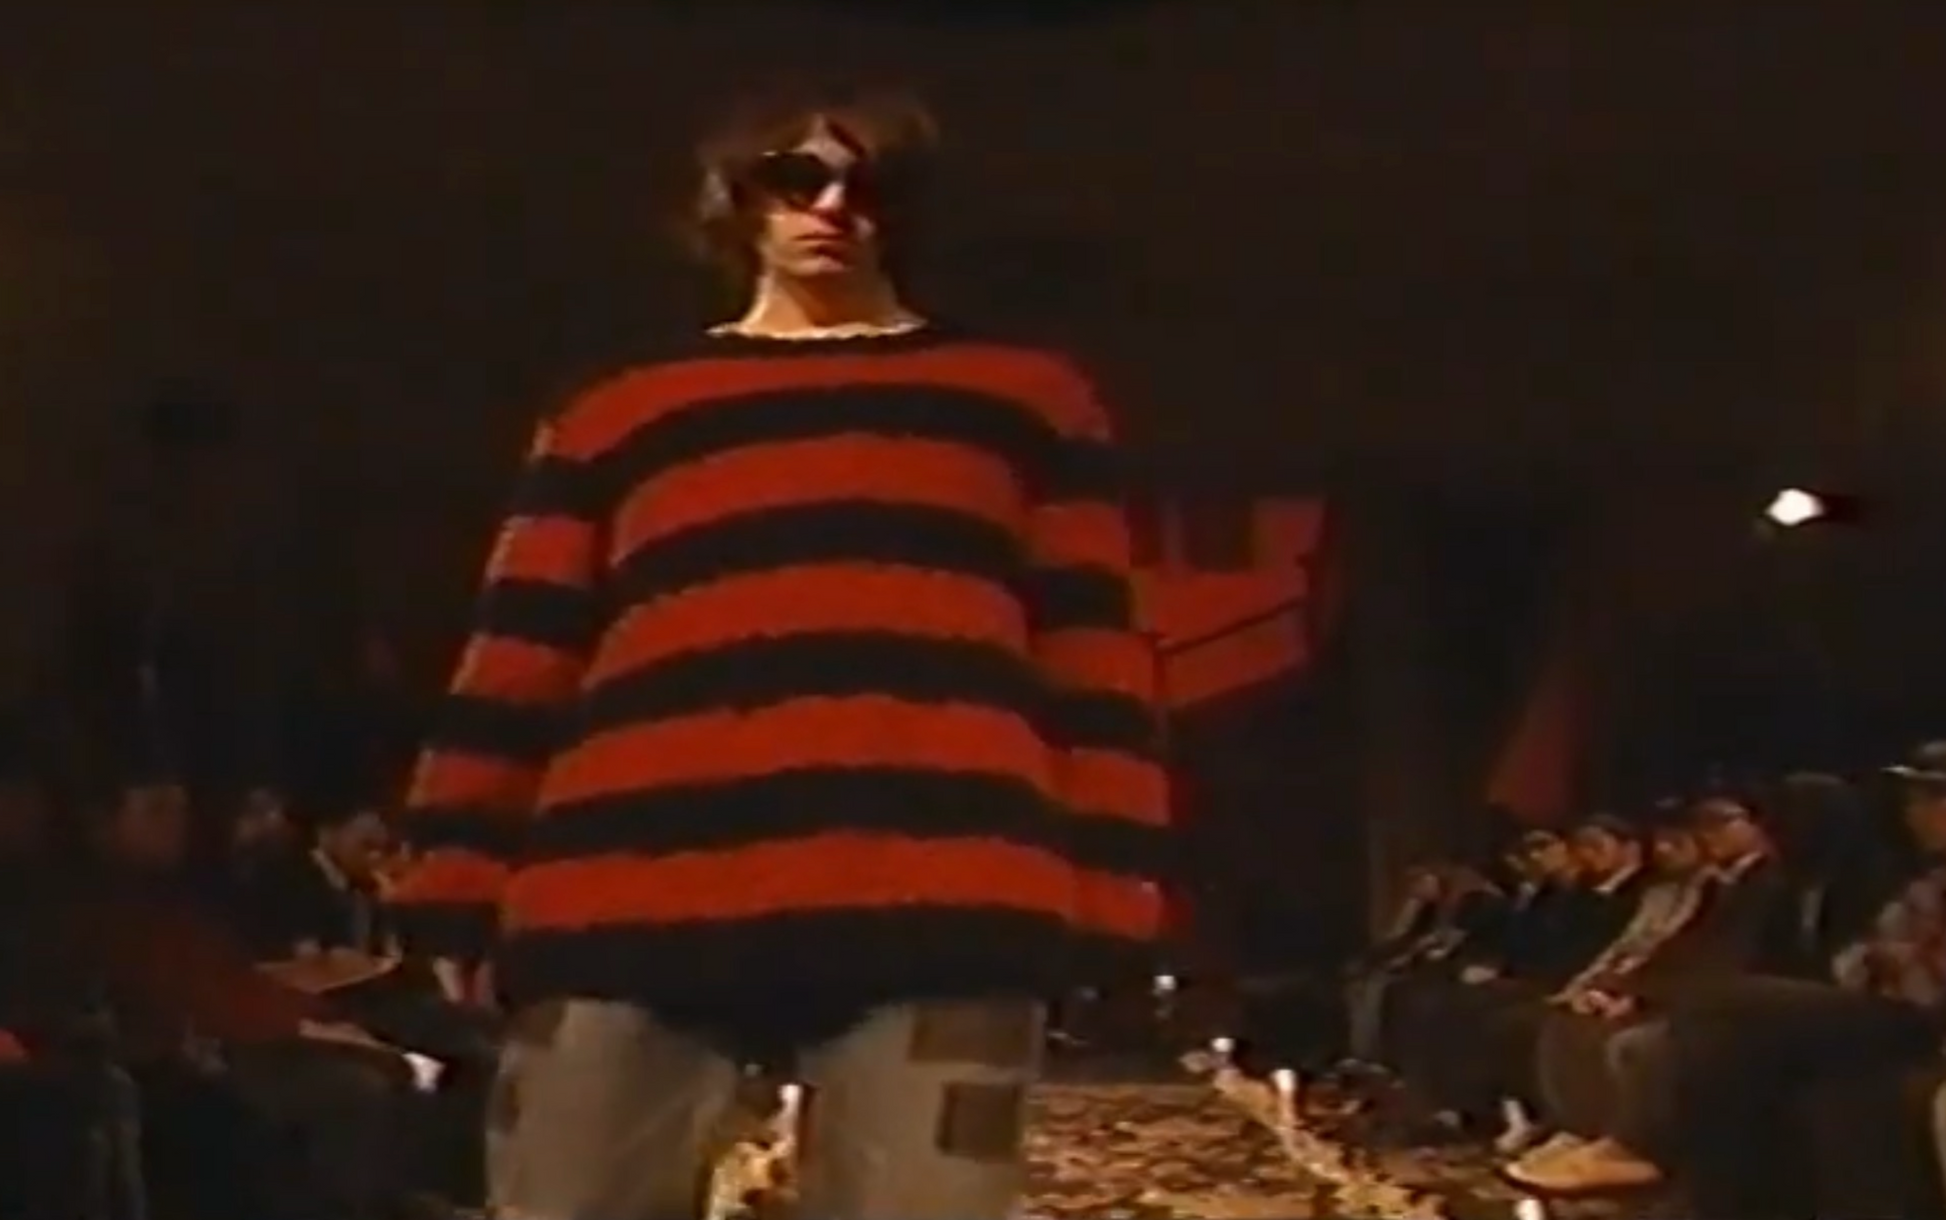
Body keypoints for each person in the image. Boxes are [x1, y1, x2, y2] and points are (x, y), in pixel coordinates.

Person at [387, 86, 1168, 1220]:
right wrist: (455, 880)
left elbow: (1092, 658)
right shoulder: (620, 410)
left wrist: (1113, 891)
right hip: (631, 885)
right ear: (736, 201)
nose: (834, 207)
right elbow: (522, 650)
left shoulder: (1021, 401)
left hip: (940, 887)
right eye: (797, 179)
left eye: (870, 184)